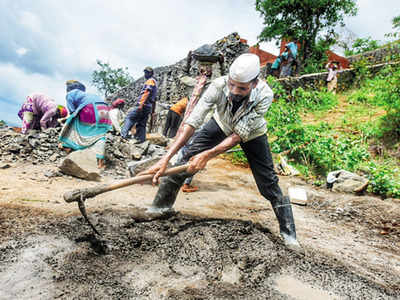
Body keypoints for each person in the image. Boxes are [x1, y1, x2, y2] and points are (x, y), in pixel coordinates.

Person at [141, 53, 300, 249]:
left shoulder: (265, 95)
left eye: (241, 88)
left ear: (254, 83)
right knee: (184, 160)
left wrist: (207, 156)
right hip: (221, 123)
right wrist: (167, 157)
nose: (234, 91)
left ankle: (289, 235)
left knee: (268, 183)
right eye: (232, 84)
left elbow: (239, 134)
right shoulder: (218, 85)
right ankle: (160, 208)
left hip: (252, 133)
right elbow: (193, 121)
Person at [58, 80, 112, 169]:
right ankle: (100, 163)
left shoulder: (70, 94)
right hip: (104, 109)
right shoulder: (89, 95)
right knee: (100, 135)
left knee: (72, 124)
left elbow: (72, 112)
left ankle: (68, 146)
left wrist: (64, 121)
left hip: (89, 108)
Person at [121, 67, 157, 143]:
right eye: (145, 72)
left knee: (130, 118)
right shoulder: (155, 83)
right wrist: (152, 111)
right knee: (142, 123)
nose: (145, 74)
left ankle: (123, 135)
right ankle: (141, 139)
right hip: (148, 107)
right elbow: (154, 100)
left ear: (151, 74)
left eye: (147, 73)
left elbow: (147, 92)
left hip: (143, 105)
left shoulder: (150, 81)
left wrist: (140, 105)